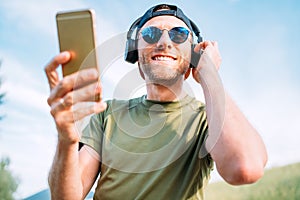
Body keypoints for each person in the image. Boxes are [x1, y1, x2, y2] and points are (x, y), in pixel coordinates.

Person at [45, 4, 268, 200]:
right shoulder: (107, 114)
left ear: (192, 57)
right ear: (137, 58)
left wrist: (209, 73)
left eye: (179, 34)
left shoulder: (207, 119)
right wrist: (66, 140)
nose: (164, 42)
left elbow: (245, 168)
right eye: (150, 34)